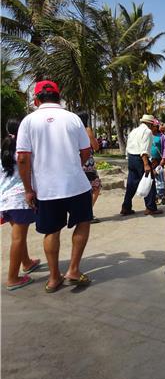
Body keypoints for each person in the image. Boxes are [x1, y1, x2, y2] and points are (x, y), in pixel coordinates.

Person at [16, 80, 93, 293]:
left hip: (46, 189)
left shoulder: (29, 121)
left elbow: (22, 158)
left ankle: (53, 278)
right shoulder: (73, 118)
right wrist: (74, 166)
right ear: (59, 97)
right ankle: (74, 270)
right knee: (83, 222)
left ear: (36, 100)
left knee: (51, 231)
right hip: (76, 184)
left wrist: (28, 189)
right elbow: (86, 150)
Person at [1, 119, 40, 291]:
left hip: (4, 200)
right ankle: (12, 278)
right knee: (18, 238)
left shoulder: (3, 152)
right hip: (19, 199)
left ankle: (27, 262)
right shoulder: (23, 152)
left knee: (19, 235)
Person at [120, 114, 163, 216]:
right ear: (150, 124)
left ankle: (126, 207)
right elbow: (144, 150)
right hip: (140, 159)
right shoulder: (147, 132)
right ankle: (151, 207)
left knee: (131, 184)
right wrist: (146, 164)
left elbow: (128, 146)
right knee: (149, 181)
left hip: (131, 158)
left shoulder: (134, 131)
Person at [77, 111, 102, 223]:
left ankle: (81, 213)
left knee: (81, 190)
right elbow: (96, 147)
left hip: (77, 163)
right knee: (96, 187)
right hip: (88, 164)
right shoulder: (87, 130)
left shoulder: (73, 130)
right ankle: (87, 213)